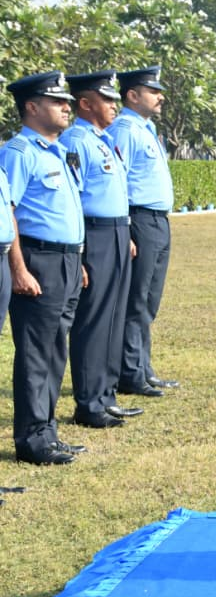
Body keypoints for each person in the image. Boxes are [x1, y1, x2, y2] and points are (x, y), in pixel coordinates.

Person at [3, 71, 87, 465]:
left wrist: (79, 261)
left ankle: (47, 431)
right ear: (32, 108)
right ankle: (33, 440)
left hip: (67, 260)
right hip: (39, 260)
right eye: (57, 102)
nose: (66, 107)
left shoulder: (55, 151)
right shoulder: (20, 152)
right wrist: (19, 270)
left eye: (67, 101)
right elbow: (9, 213)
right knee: (37, 352)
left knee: (55, 349)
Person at [63, 70, 143, 428]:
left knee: (113, 316)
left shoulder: (101, 138)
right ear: (85, 103)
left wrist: (123, 231)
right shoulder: (76, 140)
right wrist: (80, 252)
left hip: (115, 231)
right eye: (107, 99)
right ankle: (89, 402)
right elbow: (74, 199)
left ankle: (106, 394)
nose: (114, 105)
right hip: (93, 234)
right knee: (93, 321)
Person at [108, 66, 180, 399]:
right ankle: (129, 373)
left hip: (157, 220)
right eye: (153, 91)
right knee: (136, 300)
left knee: (149, 300)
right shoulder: (124, 129)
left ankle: (142, 368)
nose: (160, 97)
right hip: (139, 219)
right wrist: (127, 231)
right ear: (132, 95)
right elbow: (117, 182)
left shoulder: (146, 129)